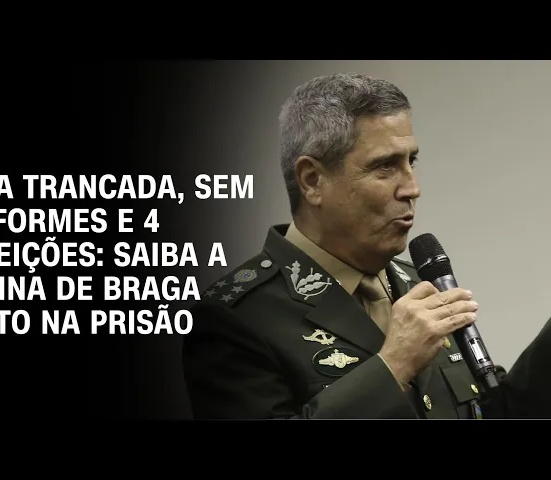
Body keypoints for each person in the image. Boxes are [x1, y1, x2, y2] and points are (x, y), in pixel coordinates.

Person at [181, 72, 550, 419]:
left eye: (411, 161)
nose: (412, 188)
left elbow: (497, 410)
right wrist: (394, 366)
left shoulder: (419, 283)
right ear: (312, 181)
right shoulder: (237, 317)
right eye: (385, 166)